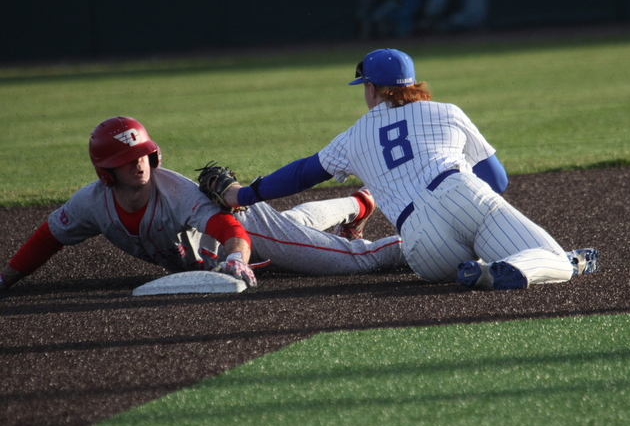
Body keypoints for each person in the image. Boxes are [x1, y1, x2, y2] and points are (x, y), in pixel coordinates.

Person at [213, 49, 598, 291]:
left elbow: (300, 175)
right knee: (555, 258)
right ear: (411, 84)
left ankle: (480, 272)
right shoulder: (446, 111)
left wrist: (241, 195)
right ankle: (509, 267)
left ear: (373, 88)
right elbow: (497, 181)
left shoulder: (353, 137)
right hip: (460, 192)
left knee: (460, 260)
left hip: (420, 241)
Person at [0, 117, 405, 292]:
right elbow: (48, 236)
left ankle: (417, 246)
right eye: (126, 161)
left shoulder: (174, 191)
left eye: (142, 154)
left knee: (347, 260)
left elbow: (230, 231)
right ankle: (356, 203)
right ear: (107, 171)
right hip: (235, 241)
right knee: (296, 228)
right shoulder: (92, 204)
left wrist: (237, 259)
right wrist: (6, 279)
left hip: (245, 228)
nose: (138, 164)